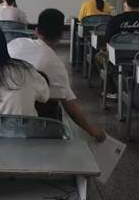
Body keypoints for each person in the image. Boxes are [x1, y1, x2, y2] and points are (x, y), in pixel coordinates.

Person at [8, 9, 105, 142]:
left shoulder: (15, 44)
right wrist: (91, 130)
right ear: (61, 36)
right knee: (54, 103)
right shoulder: (55, 64)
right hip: (35, 125)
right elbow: (71, 107)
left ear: (36, 30)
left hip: (4, 118)